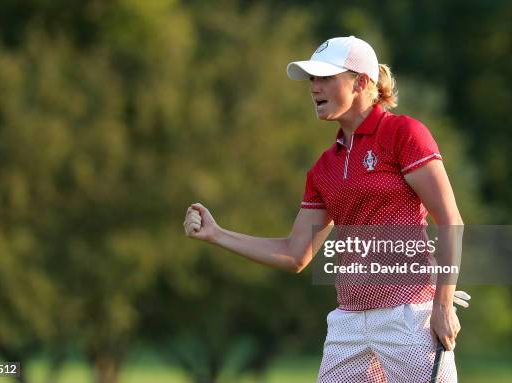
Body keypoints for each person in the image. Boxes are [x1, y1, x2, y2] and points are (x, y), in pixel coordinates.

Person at [183, 36, 463, 382]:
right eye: (312, 80)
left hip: (409, 314)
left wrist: (443, 306)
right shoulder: (324, 168)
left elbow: (450, 220)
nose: (314, 87)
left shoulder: (403, 134)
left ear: (361, 81)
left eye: (326, 78)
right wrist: (217, 234)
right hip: (348, 322)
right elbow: (295, 253)